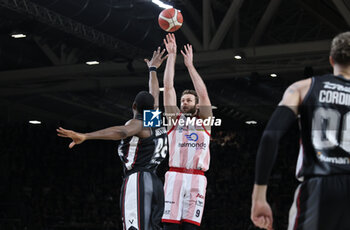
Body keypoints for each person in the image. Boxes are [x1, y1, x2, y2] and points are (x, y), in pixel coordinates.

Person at [57, 47, 168, 230]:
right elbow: (154, 94)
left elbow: (122, 132)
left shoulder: (138, 123)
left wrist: (85, 136)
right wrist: (153, 70)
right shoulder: (154, 119)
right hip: (155, 182)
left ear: (133, 106)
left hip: (138, 180)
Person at [251, 31, 350, 230]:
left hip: (318, 186)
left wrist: (258, 196)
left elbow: (270, 136)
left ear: (331, 59)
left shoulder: (303, 88)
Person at [161, 33, 212, 230]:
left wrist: (190, 66)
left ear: (196, 105)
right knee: (170, 228)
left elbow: (204, 94)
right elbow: (168, 87)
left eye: (189, 100)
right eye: (183, 100)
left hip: (197, 178)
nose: (184, 102)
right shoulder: (174, 119)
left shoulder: (205, 121)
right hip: (175, 176)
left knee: (191, 228)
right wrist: (172, 56)